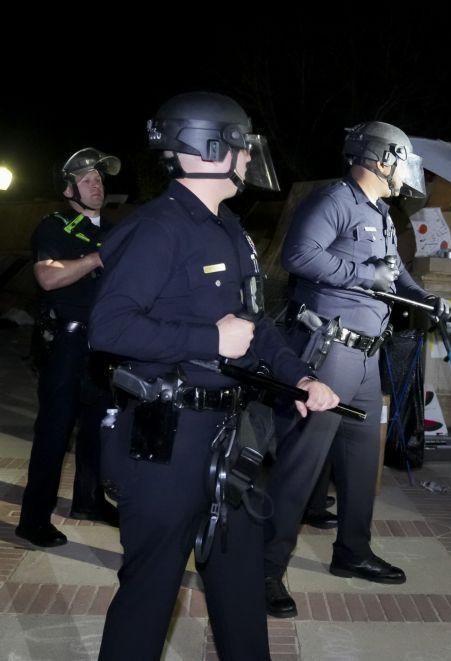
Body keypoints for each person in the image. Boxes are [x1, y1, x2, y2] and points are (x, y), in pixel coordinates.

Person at [90, 91, 339, 660]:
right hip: (165, 438)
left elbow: (256, 326)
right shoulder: (159, 228)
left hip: (230, 438)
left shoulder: (228, 227)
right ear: (209, 146)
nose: (249, 157)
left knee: (240, 588)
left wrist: (299, 377)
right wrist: (208, 340)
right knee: (150, 593)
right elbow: (108, 326)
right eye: (242, 145)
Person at [266, 120, 450, 618]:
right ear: (381, 158)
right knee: (302, 464)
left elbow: (394, 270)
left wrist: (427, 299)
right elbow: (298, 256)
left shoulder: (380, 212)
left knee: (361, 463)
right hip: (329, 353)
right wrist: (362, 277)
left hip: (367, 357)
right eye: (402, 160)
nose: (405, 172)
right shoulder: (335, 200)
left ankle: (352, 552)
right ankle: (265, 570)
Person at [15, 148, 122, 548]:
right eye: (88, 179)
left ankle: (89, 500)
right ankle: (33, 518)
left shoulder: (113, 229)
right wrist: (96, 258)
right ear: (68, 188)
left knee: (96, 428)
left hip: (101, 345)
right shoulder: (55, 226)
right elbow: (46, 277)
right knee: (54, 432)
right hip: (64, 343)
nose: (98, 184)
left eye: (100, 179)